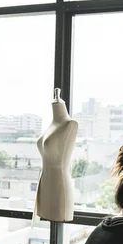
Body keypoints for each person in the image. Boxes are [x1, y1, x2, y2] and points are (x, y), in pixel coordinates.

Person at [35, 88, 79, 222]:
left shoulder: (70, 124)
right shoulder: (51, 125)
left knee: (57, 223)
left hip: (60, 187)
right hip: (45, 185)